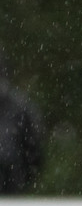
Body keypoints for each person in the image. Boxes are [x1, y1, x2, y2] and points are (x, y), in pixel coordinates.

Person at [0, 48, 44, 194]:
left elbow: (34, 150)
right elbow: (34, 151)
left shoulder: (20, 107)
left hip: (12, 183)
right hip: (13, 183)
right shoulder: (22, 106)